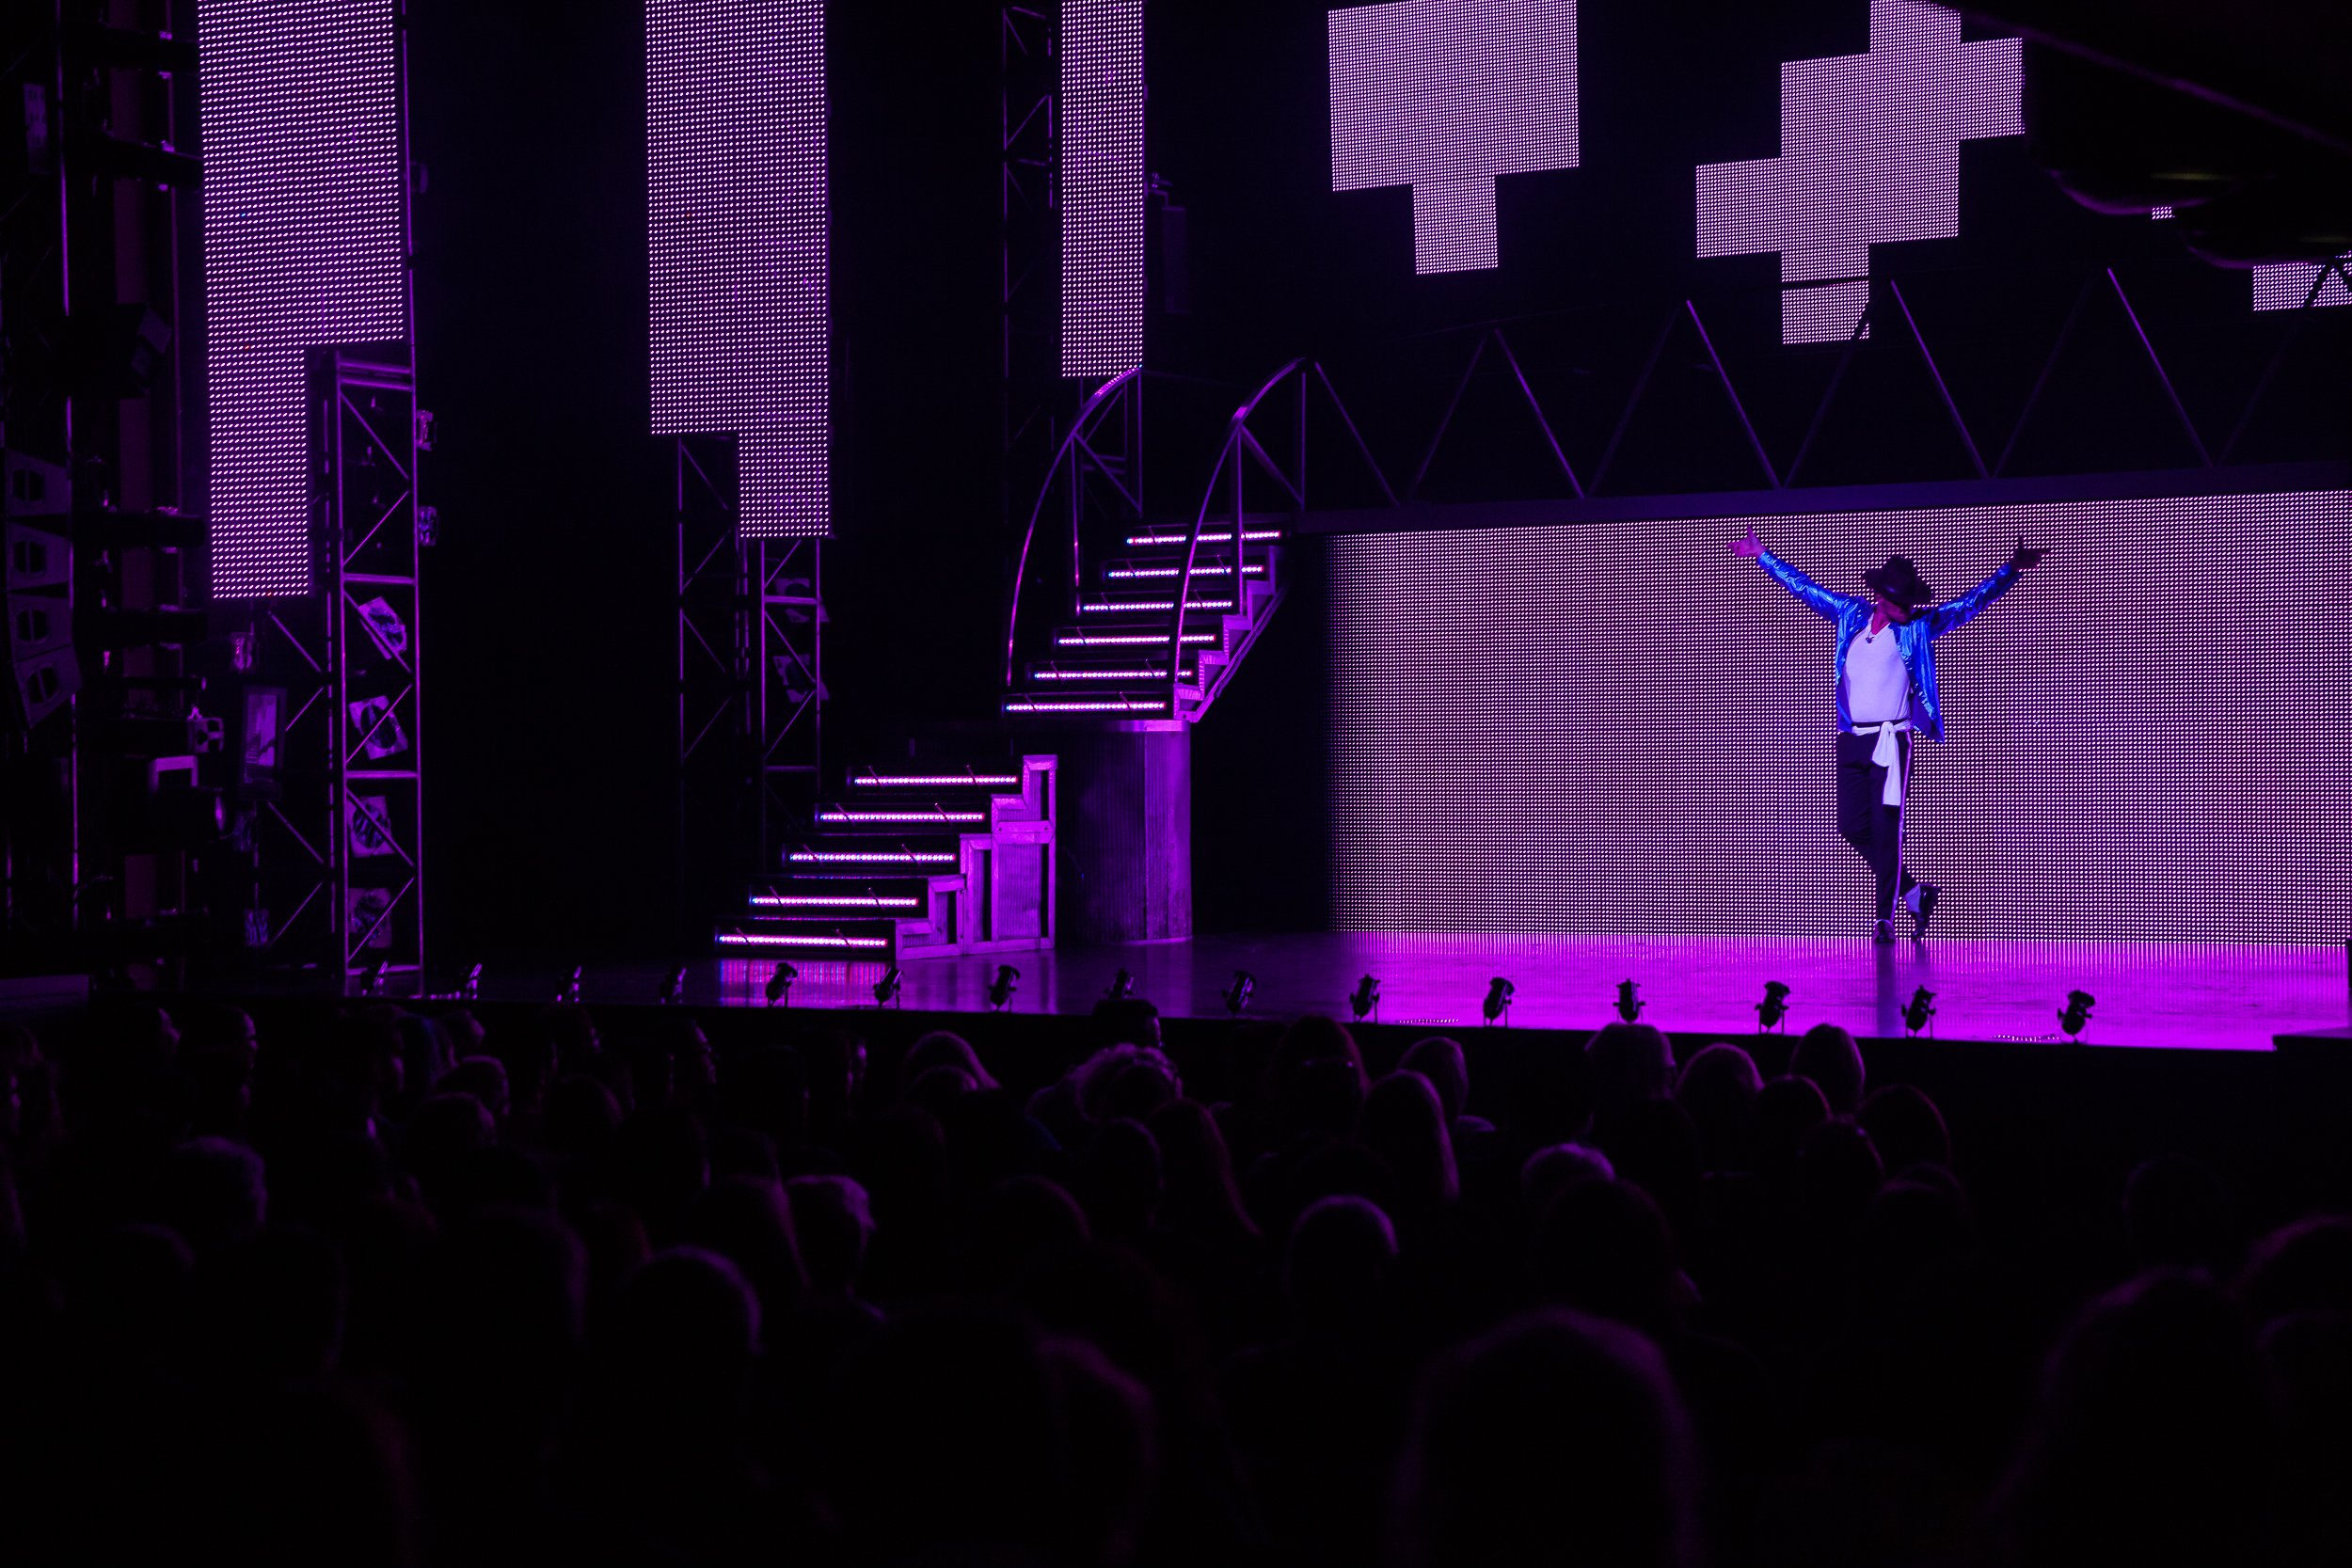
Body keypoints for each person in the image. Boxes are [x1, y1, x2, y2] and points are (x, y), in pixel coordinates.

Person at [1729, 524, 2048, 941]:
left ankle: (1884, 919)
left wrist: (2010, 571)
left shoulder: (1917, 628)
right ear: (1882, 598)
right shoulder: (1851, 615)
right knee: (1851, 826)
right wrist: (1762, 556)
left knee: (1885, 831)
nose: (1906, 609)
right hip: (1851, 741)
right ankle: (1914, 892)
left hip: (1890, 743)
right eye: (1900, 602)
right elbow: (1806, 589)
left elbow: (1969, 605)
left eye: (1909, 603)